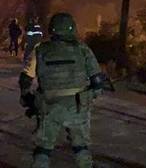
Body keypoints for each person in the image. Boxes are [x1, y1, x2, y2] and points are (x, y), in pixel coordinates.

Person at [18, 12, 104, 168]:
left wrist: (27, 98)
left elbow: (25, 79)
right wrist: (90, 96)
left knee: (43, 149)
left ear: (53, 29)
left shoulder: (40, 49)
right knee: (81, 148)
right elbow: (98, 81)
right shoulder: (83, 49)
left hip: (48, 106)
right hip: (77, 107)